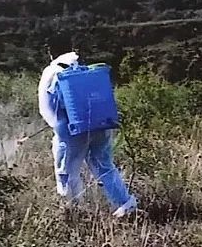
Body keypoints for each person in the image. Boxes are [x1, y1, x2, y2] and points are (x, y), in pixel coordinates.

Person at [37, 51, 137, 217]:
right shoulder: (85, 72)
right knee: (105, 166)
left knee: (67, 172)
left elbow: (52, 108)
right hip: (101, 126)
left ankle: (73, 211)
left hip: (73, 131)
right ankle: (125, 204)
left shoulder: (52, 74)